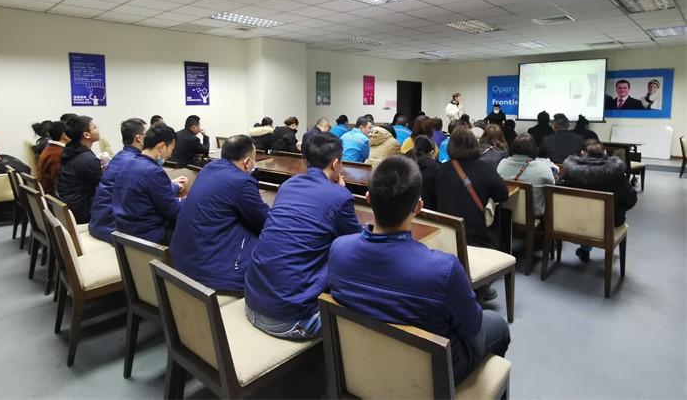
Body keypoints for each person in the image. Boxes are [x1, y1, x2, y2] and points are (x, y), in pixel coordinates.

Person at [328, 155, 510, 384]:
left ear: (368, 199)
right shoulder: (445, 270)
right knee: (498, 325)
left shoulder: (338, 249)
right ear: (419, 207)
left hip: (363, 365)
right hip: (433, 376)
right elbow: (471, 327)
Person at [244, 133, 362, 339]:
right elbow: (358, 245)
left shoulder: (288, 185)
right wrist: (342, 191)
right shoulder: (340, 196)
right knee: (352, 272)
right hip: (291, 320)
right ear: (336, 163)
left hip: (252, 303)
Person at [171, 135, 270, 292]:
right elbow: (264, 221)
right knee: (271, 243)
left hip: (182, 262)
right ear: (247, 162)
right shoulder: (241, 181)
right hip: (213, 275)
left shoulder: (208, 169)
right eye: (254, 160)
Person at [89, 119, 185, 243]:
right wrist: (191, 200)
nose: (170, 155)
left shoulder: (130, 162)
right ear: (162, 147)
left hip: (124, 230)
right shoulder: (151, 170)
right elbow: (172, 210)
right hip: (143, 237)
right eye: (172, 149)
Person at [560, 140, 637, 262]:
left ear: (582, 153)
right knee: (597, 217)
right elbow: (630, 200)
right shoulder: (616, 174)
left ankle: (585, 249)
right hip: (608, 224)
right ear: (605, 152)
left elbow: (560, 196)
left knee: (586, 215)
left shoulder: (570, 173)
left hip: (575, 222)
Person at [436, 127, 509, 254]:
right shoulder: (485, 168)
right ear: (475, 144)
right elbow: (503, 195)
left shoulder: (441, 170)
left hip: (447, 236)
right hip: (476, 238)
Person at [57, 115, 102, 223]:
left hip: (70, 206)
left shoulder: (70, 150)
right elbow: (104, 185)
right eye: (95, 127)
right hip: (82, 212)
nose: (97, 129)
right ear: (86, 135)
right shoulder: (88, 159)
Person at [497, 133, 555, 218]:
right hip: (534, 216)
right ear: (534, 149)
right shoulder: (542, 168)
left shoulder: (502, 164)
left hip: (507, 215)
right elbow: (552, 187)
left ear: (513, 147)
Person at [406, 135, 440, 210]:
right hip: (428, 210)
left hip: (405, 209)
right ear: (432, 152)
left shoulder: (404, 160)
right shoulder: (435, 167)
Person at [36, 121, 69, 194]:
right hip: (54, 196)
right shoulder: (58, 154)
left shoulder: (50, 149)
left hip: (50, 192)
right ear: (64, 135)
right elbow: (61, 184)